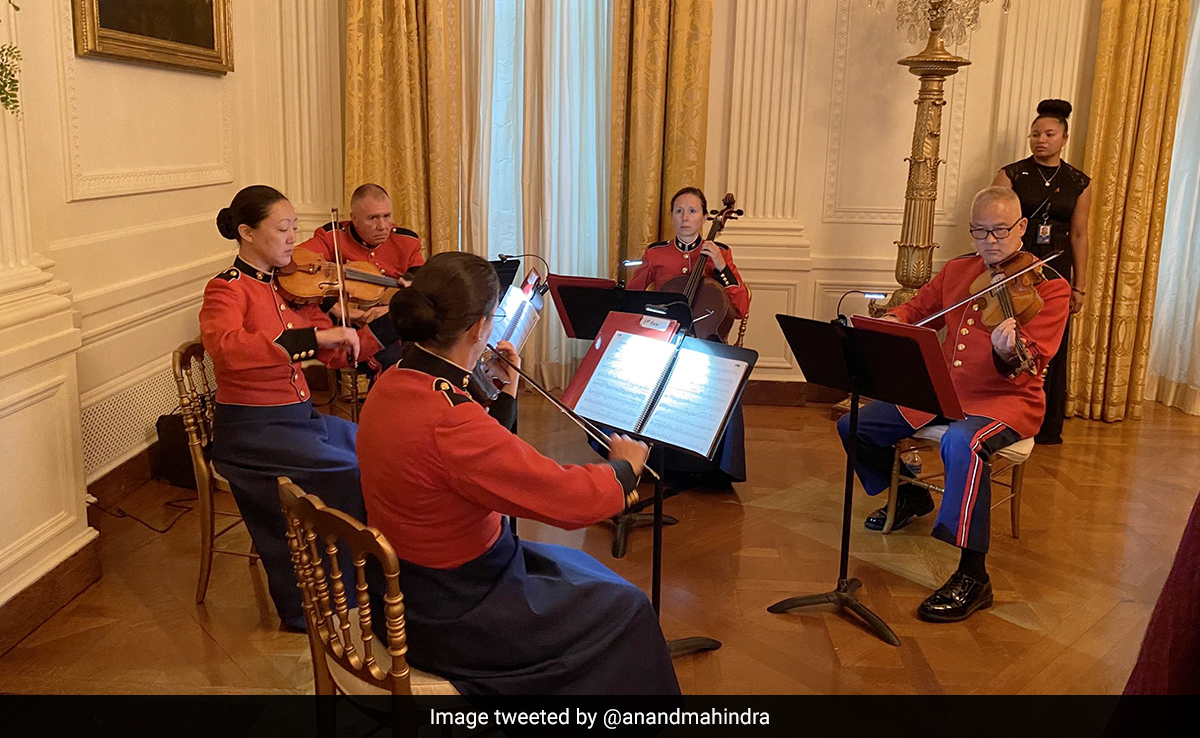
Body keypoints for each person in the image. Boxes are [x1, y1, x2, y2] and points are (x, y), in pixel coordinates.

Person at [356, 251, 679, 695]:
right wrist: (624, 468)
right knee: (628, 606)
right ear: (478, 328)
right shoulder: (451, 419)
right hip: (456, 608)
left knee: (585, 573)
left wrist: (505, 392)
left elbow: (473, 464)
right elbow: (567, 498)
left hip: (403, 586)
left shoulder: (393, 379)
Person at [837, 187, 1069, 623]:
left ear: (1021, 228)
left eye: (1000, 230)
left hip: (1007, 401)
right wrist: (893, 320)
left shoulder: (1049, 287)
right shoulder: (959, 270)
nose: (991, 241)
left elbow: (1032, 360)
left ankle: (973, 575)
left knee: (963, 443)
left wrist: (1008, 349)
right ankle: (910, 494)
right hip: (943, 392)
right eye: (980, 231)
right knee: (854, 425)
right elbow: (917, 308)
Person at [200, 185, 394, 631]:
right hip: (253, 431)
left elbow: (337, 352)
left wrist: (387, 326)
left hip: (299, 420)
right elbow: (226, 349)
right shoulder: (226, 290)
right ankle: (325, 599)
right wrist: (313, 338)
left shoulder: (289, 290)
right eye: (283, 229)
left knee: (375, 453)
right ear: (247, 233)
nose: (293, 239)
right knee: (349, 472)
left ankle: (371, 579)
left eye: (295, 229)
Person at [626, 186, 751, 490]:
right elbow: (632, 296)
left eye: (693, 211)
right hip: (664, 339)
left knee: (726, 383)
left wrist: (720, 266)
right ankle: (644, 456)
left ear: (706, 217)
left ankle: (715, 466)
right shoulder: (657, 252)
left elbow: (741, 305)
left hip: (703, 342)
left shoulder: (719, 252)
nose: (685, 217)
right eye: (679, 211)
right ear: (671, 216)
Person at [992, 99, 1091, 445]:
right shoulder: (1011, 174)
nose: (1040, 140)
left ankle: (1048, 426)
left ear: (1064, 137)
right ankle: (1006, 416)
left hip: (1058, 267)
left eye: (1049, 134)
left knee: (1053, 344)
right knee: (1011, 335)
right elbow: (996, 223)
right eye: (1035, 134)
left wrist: (1081, 286)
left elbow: (1080, 234)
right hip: (1018, 264)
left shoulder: (1079, 181)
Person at [299, 183, 425, 372]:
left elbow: (420, 284)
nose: (383, 226)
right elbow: (295, 265)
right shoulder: (331, 237)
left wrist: (388, 310)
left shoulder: (407, 241)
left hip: (395, 319)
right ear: (354, 219)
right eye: (373, 218)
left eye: (386, 216)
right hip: (350, 327)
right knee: (392, 360)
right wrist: (335, 307)